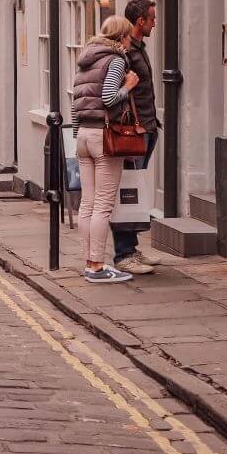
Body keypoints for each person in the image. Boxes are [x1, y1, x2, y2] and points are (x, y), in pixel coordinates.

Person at [71, 15, 140, 284]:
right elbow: (110, 98)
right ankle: (98, 267)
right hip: (104, 135)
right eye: (128, 37)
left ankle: (89, 263)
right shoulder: (114, 60)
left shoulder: (84, 62)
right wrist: (128, 86)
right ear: (122, 37)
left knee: (87, 204)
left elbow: (75, 105)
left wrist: (78, 141)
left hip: (84, 136)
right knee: (102, 205)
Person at [112, 0, 162, 275]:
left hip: (148, 127)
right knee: (127, 190)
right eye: (152, 18)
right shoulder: (125, 50)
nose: (154, 22)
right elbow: (116, 91)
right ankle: (123, 255)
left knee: (135, 188)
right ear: (140, 21)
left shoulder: (139, 48)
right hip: (133, 130)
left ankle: (131, 248)